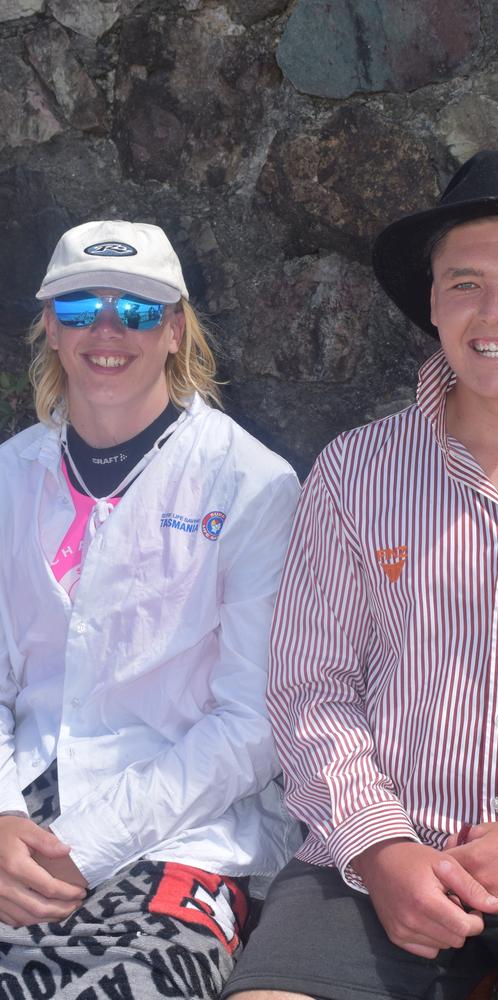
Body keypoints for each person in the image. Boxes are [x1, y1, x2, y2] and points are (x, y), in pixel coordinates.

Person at [222, 151, 498, 1000]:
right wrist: (382, 849)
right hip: (381, 864)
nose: (493, 311)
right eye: (464, 284)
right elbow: (311, 689)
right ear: (432, 303)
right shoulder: (355, 472)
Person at [0, 220, 302, 998]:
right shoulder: (10, 475)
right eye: (78, 310)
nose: (106, 331)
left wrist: (80, 842)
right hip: (18, 801)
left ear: (173, 330)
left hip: (185, 830)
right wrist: (3, 819)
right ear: (49, 328)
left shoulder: (251, 485)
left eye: (135, 311)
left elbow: (254, 726)